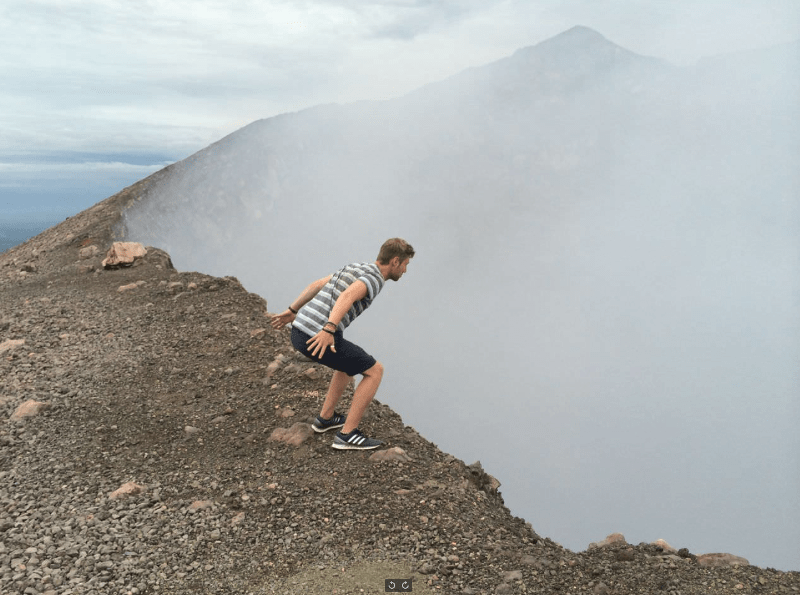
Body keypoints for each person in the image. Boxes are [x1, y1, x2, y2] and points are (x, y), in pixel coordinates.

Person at [270, 238, 414, 450]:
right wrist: (329, 329)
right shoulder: (374, 279)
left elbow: (317, 284)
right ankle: (347, 435)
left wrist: (293, 311)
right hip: (316, 336)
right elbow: (347, 295)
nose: (405, 270)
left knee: (348, 364)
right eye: (405, 264)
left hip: (299, 329)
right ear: (394, 261)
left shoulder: (356, 267)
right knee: (375, 371)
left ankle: (325, 418)